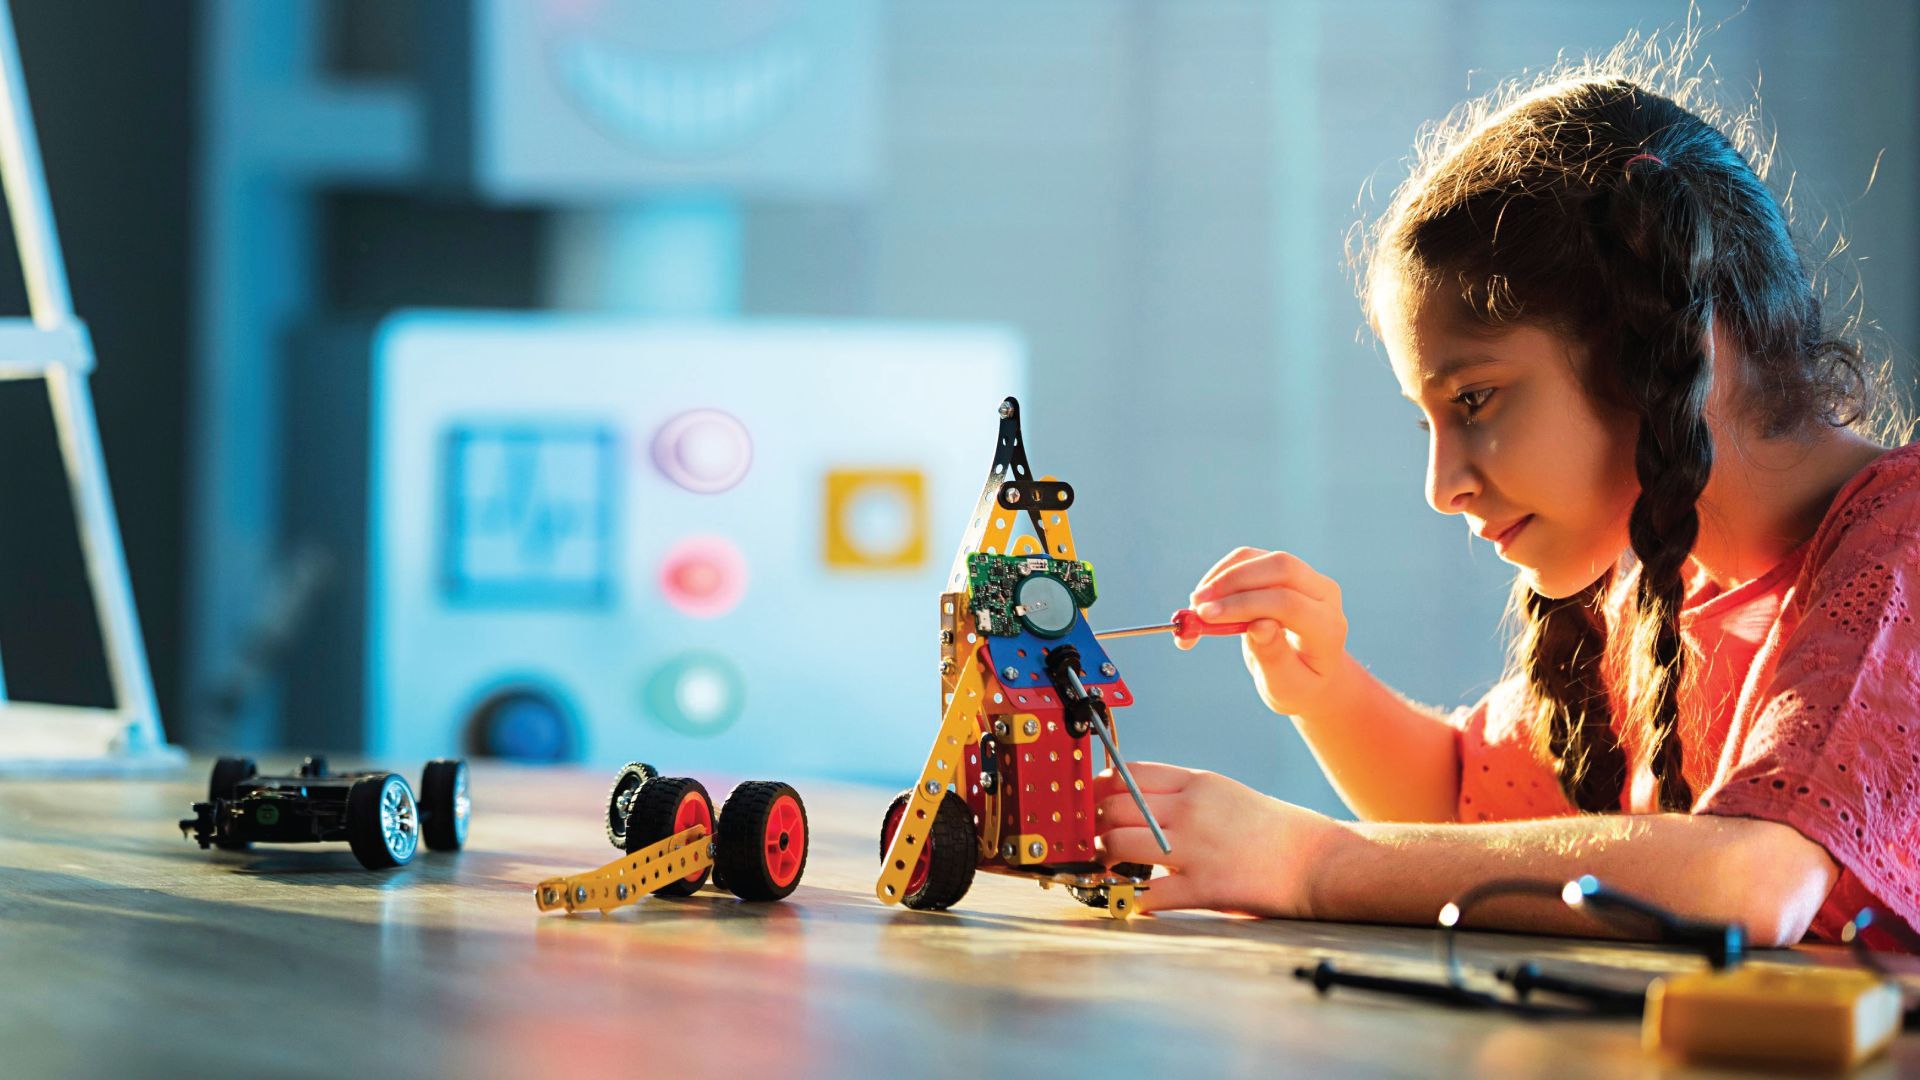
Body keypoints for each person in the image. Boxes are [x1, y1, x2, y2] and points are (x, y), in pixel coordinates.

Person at [1094, 69, 1920, 951]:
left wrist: (1313, 864)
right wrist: (1327, 692)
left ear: (1667, 348)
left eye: (1477, 401)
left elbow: (1746, 880)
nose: (1440, 486)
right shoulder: (1656, 580)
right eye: (1429, 421)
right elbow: (1463, 807)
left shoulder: (1899, 544)